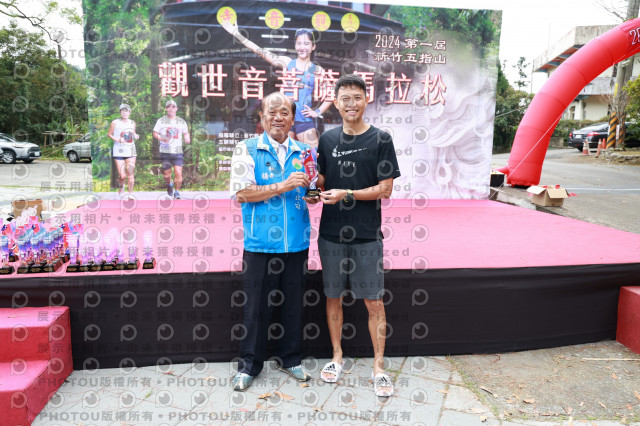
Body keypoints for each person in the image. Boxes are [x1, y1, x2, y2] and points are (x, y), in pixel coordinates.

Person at [315, 74, 401, 397]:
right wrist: (312, 188)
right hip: (330, 233)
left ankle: (379, 367)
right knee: (333, 296)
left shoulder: (381, 139)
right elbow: (321, 181)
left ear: (366, 100)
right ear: (336, 104)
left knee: (374, 301)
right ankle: (337, 356)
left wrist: (347, 193)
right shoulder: (327, 140)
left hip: (367, 234)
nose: (351, 104)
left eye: (357, 97)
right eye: (345, 99)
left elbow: (385, 189)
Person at [229, 91, 317, 391]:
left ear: (293, 119)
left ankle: (290, 359)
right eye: (272, 112)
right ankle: (249, 365)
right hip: (260, 243)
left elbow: (310, 191)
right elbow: (242, 193)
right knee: (256, 308)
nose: (278, 117)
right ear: (262, 117)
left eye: (284, 113)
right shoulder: (246, 149)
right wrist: (283, 185)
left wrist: (313, 194)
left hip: (296, 242)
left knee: (293, 306)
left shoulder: (304, 152)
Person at [221, 20, 332, 147]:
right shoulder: (287, 63)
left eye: (306, 44)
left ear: (313, 46)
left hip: (304, 120)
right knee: (283, 156)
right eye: (299, 43)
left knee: (312, 155)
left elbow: (331, 94)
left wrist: (317, 112)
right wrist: (237, 34)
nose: (302, 47)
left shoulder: (316, 70)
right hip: (284, 120)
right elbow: (259, 50)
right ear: (295, 45)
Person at [152, 99, 190, 199]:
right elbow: (155, 133)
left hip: (177, 151)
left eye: (173, 107)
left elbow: (186, 133)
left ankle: (177, 192)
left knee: (178, 171)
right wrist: (162, 138)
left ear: (176, 108)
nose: (171, 109)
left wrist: (187, 138)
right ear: (166, 109)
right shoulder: (161, 121)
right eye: (168, 107)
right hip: (165, 151)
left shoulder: (181, 121)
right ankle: (169, 184)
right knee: (166, 175)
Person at [107, 103, 139, 199]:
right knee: (122, 175)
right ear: (120, 112)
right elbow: (109, 134)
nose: (124, 113)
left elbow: (133, 133)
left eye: (126, 111)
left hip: (131, 151)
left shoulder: (132, 123)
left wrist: (136, 135)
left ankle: (130, 194)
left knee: (130, 173)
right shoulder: (115, 122)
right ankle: (121, 187)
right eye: (122, 111)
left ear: (129, 112)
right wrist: (118, 139)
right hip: (119, 151)